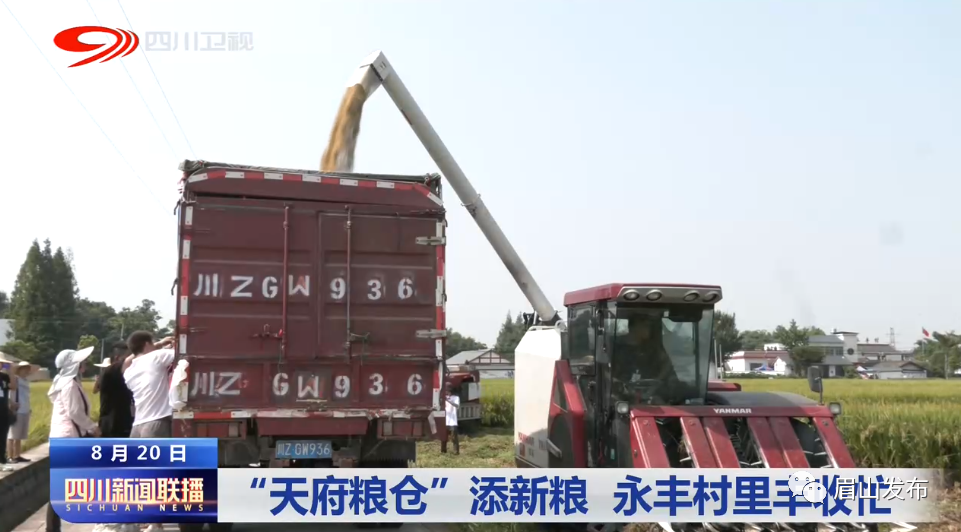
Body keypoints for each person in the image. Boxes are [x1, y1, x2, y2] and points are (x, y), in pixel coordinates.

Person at [46, 347, 101, 532]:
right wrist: (93, 427)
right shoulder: (69, 384)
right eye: (81, 362)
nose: (84, 364)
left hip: (66, 437)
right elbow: (75, 412)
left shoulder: (65, 382)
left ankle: (53, 527)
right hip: (68, 437)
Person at [124, 332, 175, 439]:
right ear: (147, 344)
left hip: (137, 425)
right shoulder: (157, 356)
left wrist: (159, 345)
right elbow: (183, 354)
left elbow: (127, 361)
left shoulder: (128, 371)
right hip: (156, 422)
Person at [93, 343, 135, 438]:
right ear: (117, 358)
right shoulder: (110, 372)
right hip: (112, 425)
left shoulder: (125, 375)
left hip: (124, 423)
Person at [7, 361, 34, 463]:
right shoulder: (15, 379)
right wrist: (11, 404)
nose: (27, 370)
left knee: (19, 436)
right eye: (24, 368)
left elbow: (26, 396)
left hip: (25, 409)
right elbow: (9, 392)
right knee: (12, 435)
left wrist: (28, 408)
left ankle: (17, 455)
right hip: (17, 410)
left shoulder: (26, 381)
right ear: (19, 370)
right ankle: (10, 456)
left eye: (28, 369)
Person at [0, 358, 16, 471]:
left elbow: (14, 387)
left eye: (2, 363)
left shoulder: (4, 377)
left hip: (3, 410)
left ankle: (2, 461)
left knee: (2, 436)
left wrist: (11, 371)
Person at [441, 383, 460, 455]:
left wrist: (448, 400)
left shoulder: (456, 398)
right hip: (445, 420)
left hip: (453, 421)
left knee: (454, 438)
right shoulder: (443, 398)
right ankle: (443, 451)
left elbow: (457, 405)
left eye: (447, 390)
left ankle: (456, 452)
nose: (446, 392)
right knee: (443, 437)